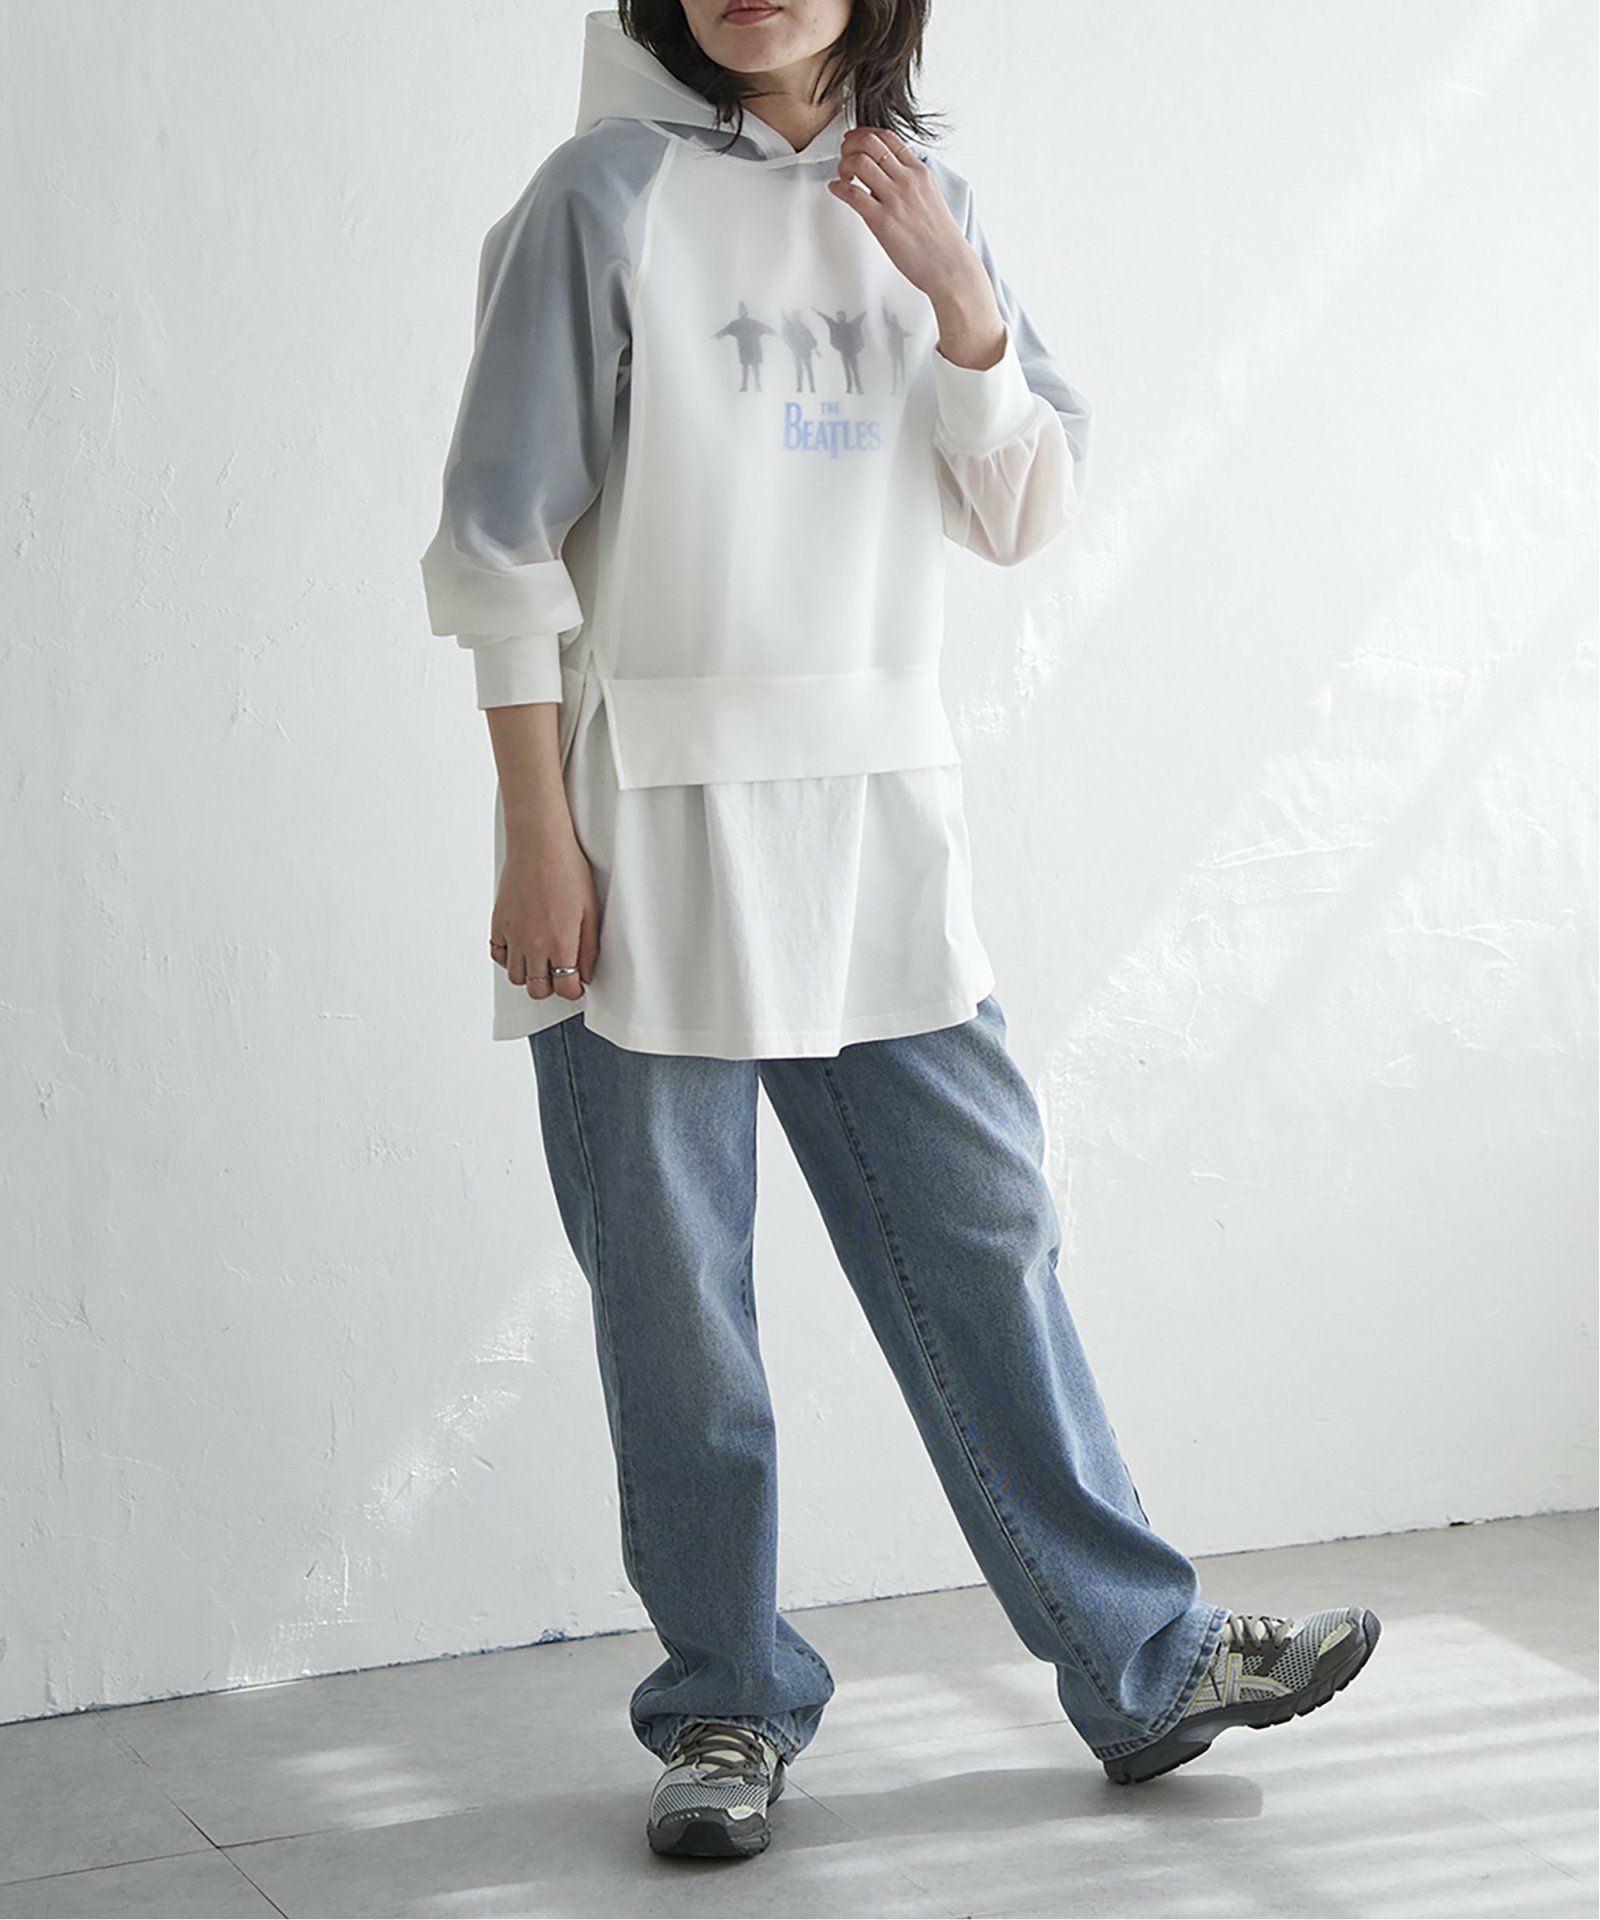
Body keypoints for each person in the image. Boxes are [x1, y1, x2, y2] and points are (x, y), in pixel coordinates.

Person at [420, 0, 1381, 1863]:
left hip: (874, 828)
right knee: (683, 1319)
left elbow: (1019, 513)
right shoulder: (597, 197)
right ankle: (726, 1707)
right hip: (648, 835)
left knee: (988, 1243)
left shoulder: (924, 198)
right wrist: (536, 838)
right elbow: (498, 544)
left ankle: (1142, 1662)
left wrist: (961, 297)